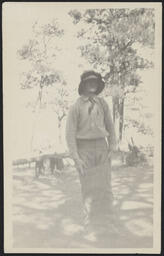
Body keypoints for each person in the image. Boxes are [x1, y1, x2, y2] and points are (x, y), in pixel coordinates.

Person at [66, 70, 117, 234]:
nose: (92, 84)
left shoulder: (102, 103)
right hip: (84, 148)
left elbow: (110, 126)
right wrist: (76, 158)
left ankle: (107, 223)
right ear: (83, 85)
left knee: (105, 187)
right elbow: (70, 134)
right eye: (89, 82)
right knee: (88, 188)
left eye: (95, 82)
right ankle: (90, 225)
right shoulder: (76, 107)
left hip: (102, 146)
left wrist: (112, 147)